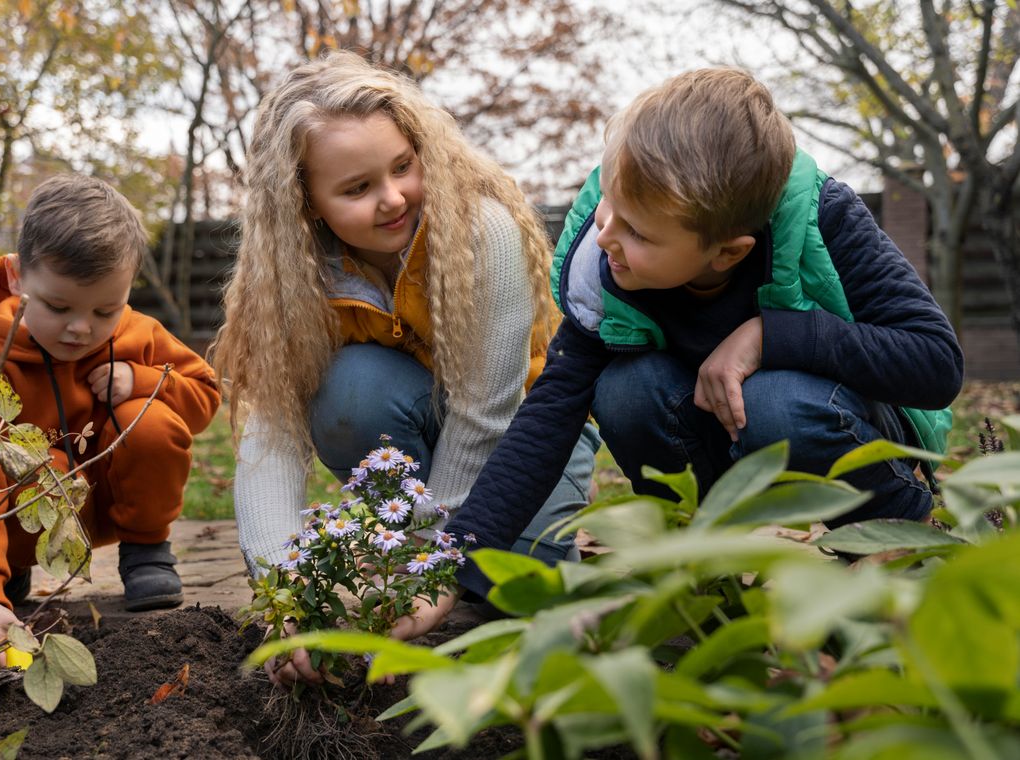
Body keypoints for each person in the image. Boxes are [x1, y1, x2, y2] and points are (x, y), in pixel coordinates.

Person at [405, 67, 964, 635]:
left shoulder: (822, 221)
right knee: (625, 388)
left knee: (778, 404)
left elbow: (935, 363)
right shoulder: (604, 271)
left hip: (831, 427)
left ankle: (906, 546)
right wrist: (451, 569)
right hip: (714, 439)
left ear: (727, 252)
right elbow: (548, 417)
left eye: (640, 234)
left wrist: (774, 336)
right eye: (609, 205)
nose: (605, 236)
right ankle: (699, 578)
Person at [209, 50, 600, 685]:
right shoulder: (289, 278)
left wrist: (431, 568)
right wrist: (282, 591)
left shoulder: (482, 231)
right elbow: (271, 436)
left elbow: (483, 417)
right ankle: (437, 561)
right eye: (358, 188)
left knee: (522, 595)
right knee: (349, 390)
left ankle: (468, 564)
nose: (392, 198)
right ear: (307, 202)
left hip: (526, 439)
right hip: (407, 423)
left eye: (402, 167)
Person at [0, 174, 221, 663]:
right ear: (18, 276)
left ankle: (146, 549)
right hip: (31, 516)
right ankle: (6, 570)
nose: (81, 328)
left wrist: (143, 380)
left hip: (109, 498)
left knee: (148, 422)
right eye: (58, 307)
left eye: (106, 309)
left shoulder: (140, 334)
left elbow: (205, 396)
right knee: (19, 462)